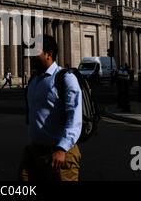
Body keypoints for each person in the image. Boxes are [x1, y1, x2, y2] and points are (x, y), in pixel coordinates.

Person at [19, 35, 83, 182]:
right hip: (35, 151)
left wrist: (62, 149)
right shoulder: (33, 80)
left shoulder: (66, 78)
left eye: (35, 51)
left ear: (49, 54)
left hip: (61, 154)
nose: (30, 55)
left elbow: (75, 117)